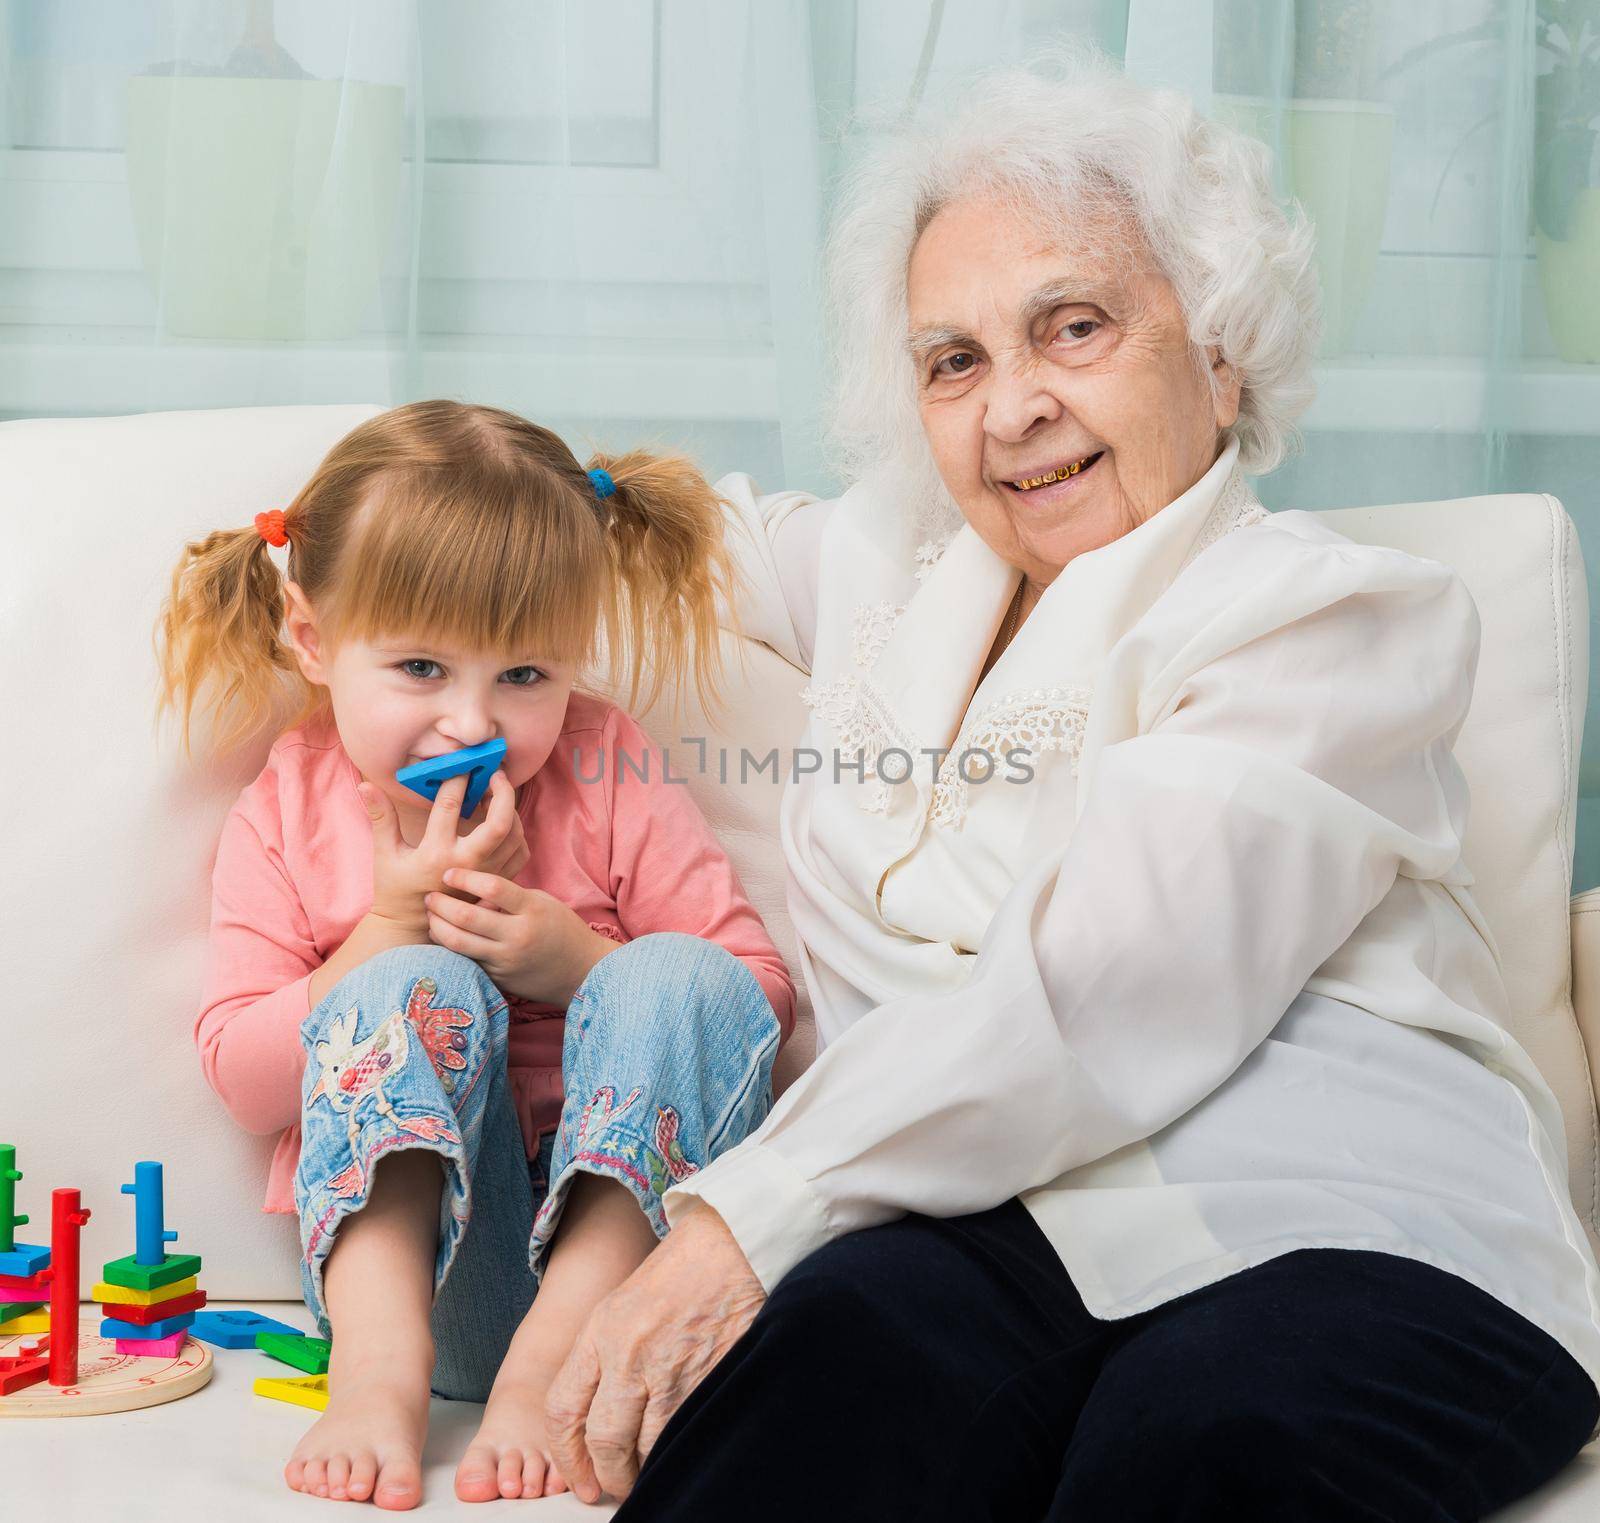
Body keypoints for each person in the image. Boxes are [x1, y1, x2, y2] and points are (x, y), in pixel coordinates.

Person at [539, 46, 1600, 1521]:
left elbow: (1109, 979)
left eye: (1075, 326)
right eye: (954, 359)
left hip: (1340, 1220)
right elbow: (612, 534)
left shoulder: (1338, 616)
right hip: (983, 1223)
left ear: (1218, 351)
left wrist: (746, 1217)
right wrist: (345, 551)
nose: (1013, 406)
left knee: (1195, 1446)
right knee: (816, 1384)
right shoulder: (879, 574)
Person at [155, 400, 796, 1509]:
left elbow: (755, 1004)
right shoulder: (291, 805)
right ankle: (377, 1374)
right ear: (314, 640)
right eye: (417, 667)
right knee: (410, 983)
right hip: (431, 1280)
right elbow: (247, 1079)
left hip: (627, 1279)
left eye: (525, 676)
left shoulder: (604, 763)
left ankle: (552, 1364)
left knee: (680, 969)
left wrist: (578, 963)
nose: (471, 722)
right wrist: (388, 924)